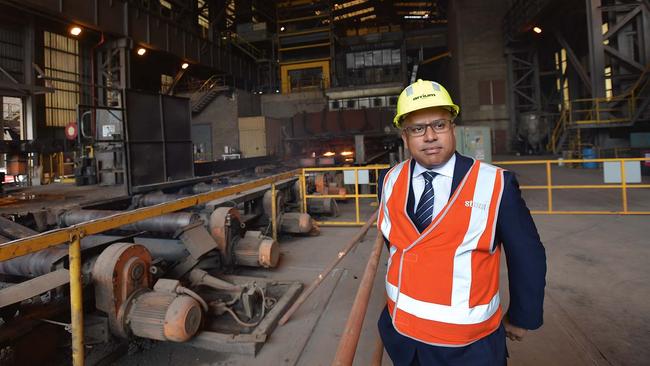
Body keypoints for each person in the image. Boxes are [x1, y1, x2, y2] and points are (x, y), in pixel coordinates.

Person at [377, 79, 546, 365]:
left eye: (439, 125)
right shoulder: (389, 179)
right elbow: (395, 242)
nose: (430, 136)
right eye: (418, 128)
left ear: (452, 128)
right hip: (402, 337)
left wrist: (522, 316)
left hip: (468, 346)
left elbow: (526, 254)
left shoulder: (496, 184)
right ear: (405, 137)